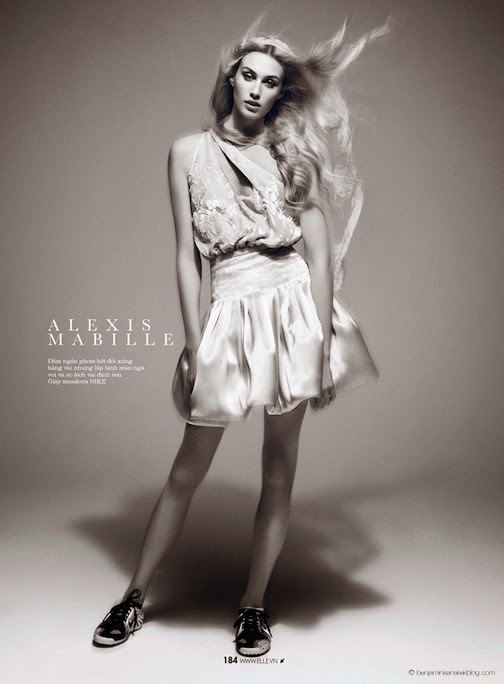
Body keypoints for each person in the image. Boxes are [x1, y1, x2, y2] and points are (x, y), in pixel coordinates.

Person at [93, 19, 386, 656]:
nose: (256, 89)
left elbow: (318, 255)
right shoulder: (186, 153)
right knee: (187, 469)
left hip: (291, 311)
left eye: (270, 82)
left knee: (279, 469)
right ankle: (133, 597)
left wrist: (319, 346)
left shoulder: (291, 156)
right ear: (231, 80)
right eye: (248, 76)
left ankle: (253, 607)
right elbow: (185, 256)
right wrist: (194, 340)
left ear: (281, 93)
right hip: (228, 310)